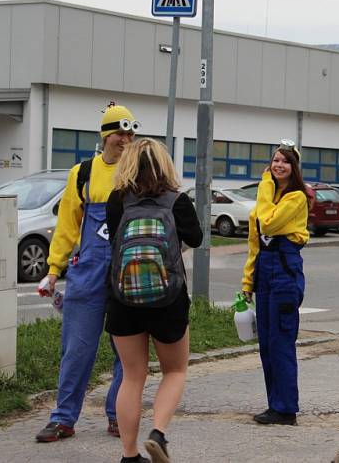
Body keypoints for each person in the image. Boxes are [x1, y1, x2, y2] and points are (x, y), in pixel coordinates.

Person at [35, 103, 138, 442]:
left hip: (129, 271)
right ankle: (63, 418)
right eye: (120, 133)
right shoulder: (82, 173)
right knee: (76, 348)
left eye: (130, 133)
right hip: (88, 271)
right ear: (106, 135)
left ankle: (117, 415)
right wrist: (53, 269)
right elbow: (67, 224)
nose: (125, 139)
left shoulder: (138, 172)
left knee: (127, 350)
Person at [106, 138, 202, 463]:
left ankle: (129, 455)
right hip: (169, 299)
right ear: (164, 164)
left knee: (132, 376)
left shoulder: (117, 200)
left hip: (123, 299)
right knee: (174, 371)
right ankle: (158, 433)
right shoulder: (177, 200)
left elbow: (113, 240)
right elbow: (196, 238)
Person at [241, 139, 311, 426]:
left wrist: (265, 186)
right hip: (264, 269)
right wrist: (247, 282)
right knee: (267, 344)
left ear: (293, 167)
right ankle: (275, 405)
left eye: (285, 161)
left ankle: (286, 409)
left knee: (281, 341)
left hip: (284, 270)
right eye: (275, 160)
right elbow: (254, 242)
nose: (278, 165)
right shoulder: (268, 196)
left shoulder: (296, 197)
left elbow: (268, 223)